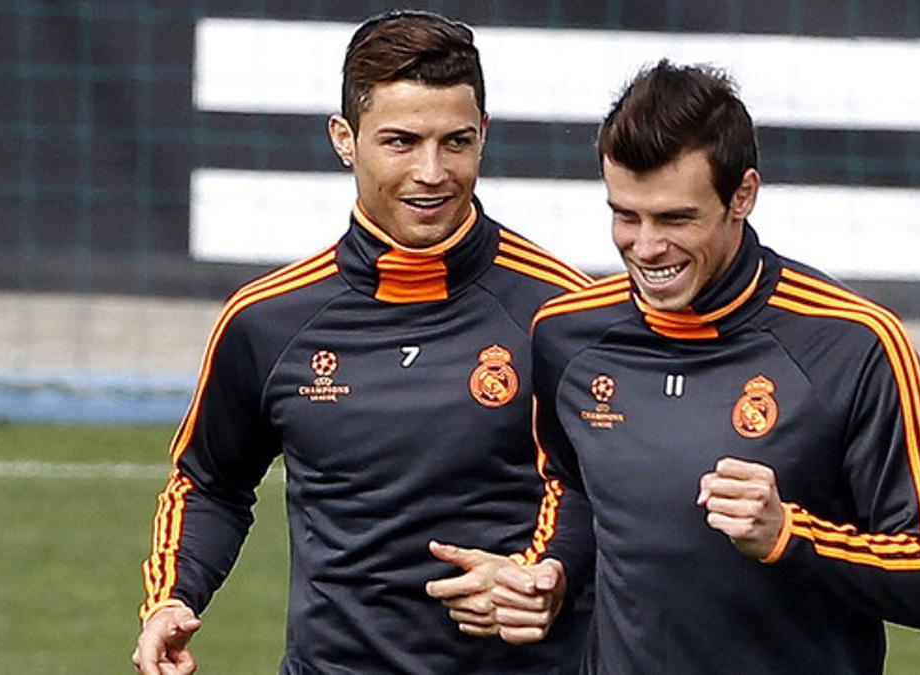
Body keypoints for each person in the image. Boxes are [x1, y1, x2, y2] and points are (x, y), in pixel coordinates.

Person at [132, 11, 592, 674]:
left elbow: (620, 491)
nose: (431, 172)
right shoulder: (267, 322)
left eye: (455, 142)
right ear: (345, 139)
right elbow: (208, 480)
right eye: (401, 142)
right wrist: (172, 597)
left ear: (484, 135)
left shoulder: (563, 315)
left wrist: (550, 574)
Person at [478, 61, 920, 673]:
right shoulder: (566, 335)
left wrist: (788, 537)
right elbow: (573, 489)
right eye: (626, 215)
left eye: (676, 219)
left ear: (742, 195)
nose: (647, 247)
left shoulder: (854, 344)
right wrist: (549, 569)